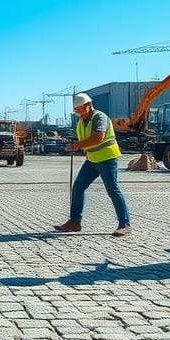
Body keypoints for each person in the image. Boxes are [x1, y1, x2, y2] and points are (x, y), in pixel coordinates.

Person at [54, 92, 131, 236]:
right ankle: (75, 221)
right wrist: (78, 146)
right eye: (77, 111)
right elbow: (85, 140)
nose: (79, 113)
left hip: (107, 158)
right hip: (92, 159)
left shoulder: (99, 117)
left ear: (89, 105)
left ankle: (124, 224)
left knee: (112, 190)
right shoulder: (81, 122)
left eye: (81, 109)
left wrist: (78, 145)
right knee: (78, 187)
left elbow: (98, 137)